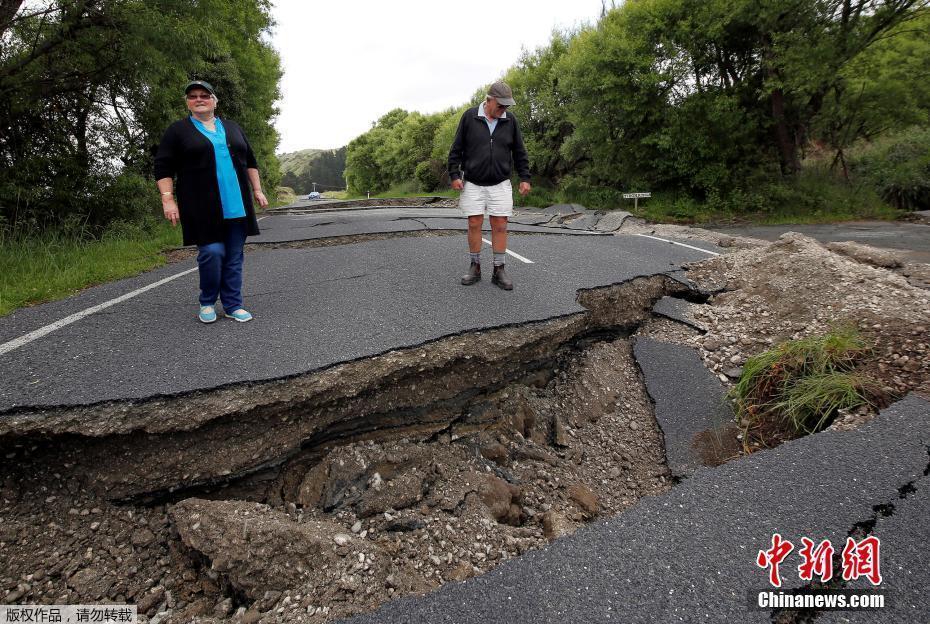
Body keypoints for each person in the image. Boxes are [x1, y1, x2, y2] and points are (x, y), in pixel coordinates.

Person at [154, 80, 268, 323]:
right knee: (212, 252)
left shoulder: (232, 127)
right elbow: (163, 166)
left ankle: (233, 304)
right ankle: (207, 300)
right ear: (187, 102)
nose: (199, 99)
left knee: (234, 256)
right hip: (200, 207)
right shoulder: (178, 131)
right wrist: (168, 200)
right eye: (193, 96)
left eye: (204, 95)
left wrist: (257, 190)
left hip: (237, 204)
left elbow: (250, 161)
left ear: (214, 100)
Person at [448, 80, 531, 290]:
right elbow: (456, 148)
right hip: (473, 182)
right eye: (500, 105)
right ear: (489, 100)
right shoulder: (469, 116)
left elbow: (519, 151)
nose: (504, 109)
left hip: (500, 182)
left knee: (500, 224)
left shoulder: (510, 121)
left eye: (507, 106)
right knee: (474, 223)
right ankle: (475, 267)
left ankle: (499, 269)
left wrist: (525, 177)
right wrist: (454, 174)